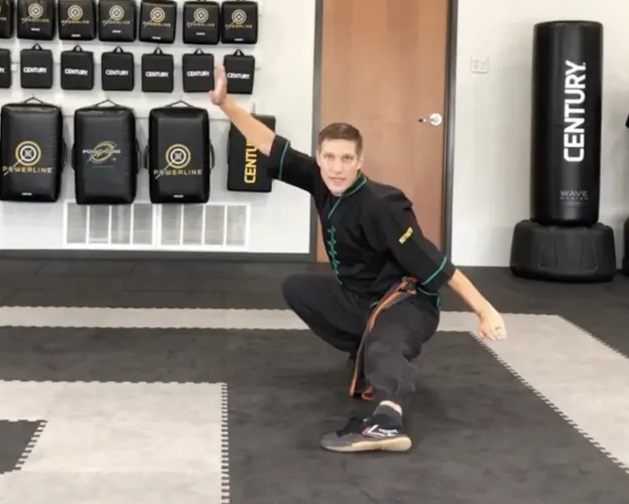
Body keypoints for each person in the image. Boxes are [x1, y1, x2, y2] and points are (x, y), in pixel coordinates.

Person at [209, 65, 508, 453]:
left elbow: (435, 263)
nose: (337, 168)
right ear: (319, 157)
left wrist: (484, 310)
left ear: (360, 160)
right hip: (360, 298)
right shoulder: (320, 179)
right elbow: (269, 143)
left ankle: (387, 421)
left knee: (386, 344)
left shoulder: (383, 206)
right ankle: (362, 347)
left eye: (346, 159)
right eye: (330, 157)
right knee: (298, 289)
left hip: (406, 301)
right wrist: (225, 104)